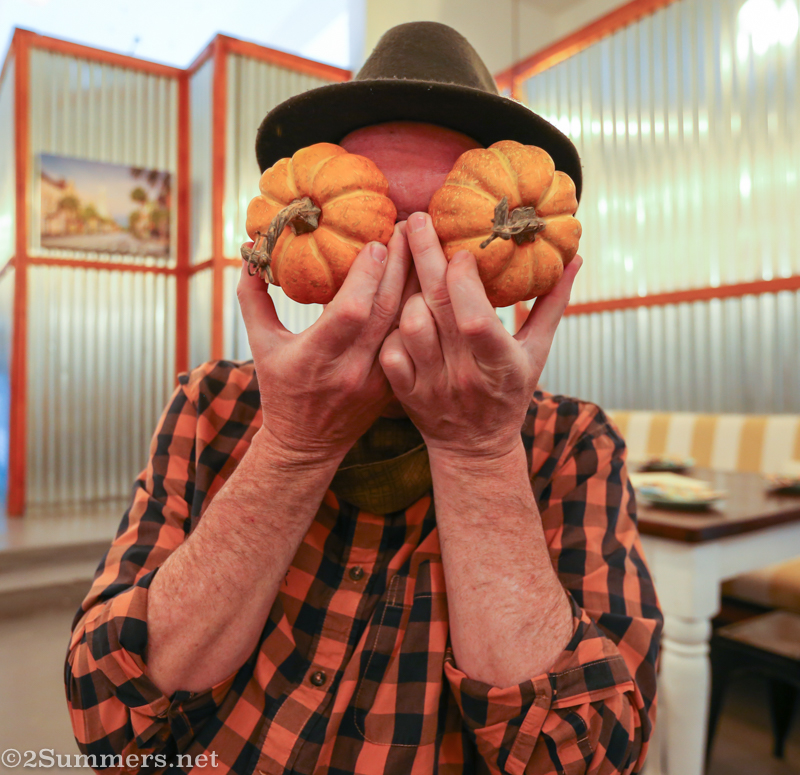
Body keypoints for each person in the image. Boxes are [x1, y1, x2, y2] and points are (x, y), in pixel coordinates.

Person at [65, 22, 661, 775]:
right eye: (373, 220)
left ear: (521, 259)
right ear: (292, 250)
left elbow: (593, 758)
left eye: (449, 223)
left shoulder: (573, 444)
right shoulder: (210, 404)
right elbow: (108, 719)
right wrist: (292, 448)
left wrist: (477, 455)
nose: (405, 266)